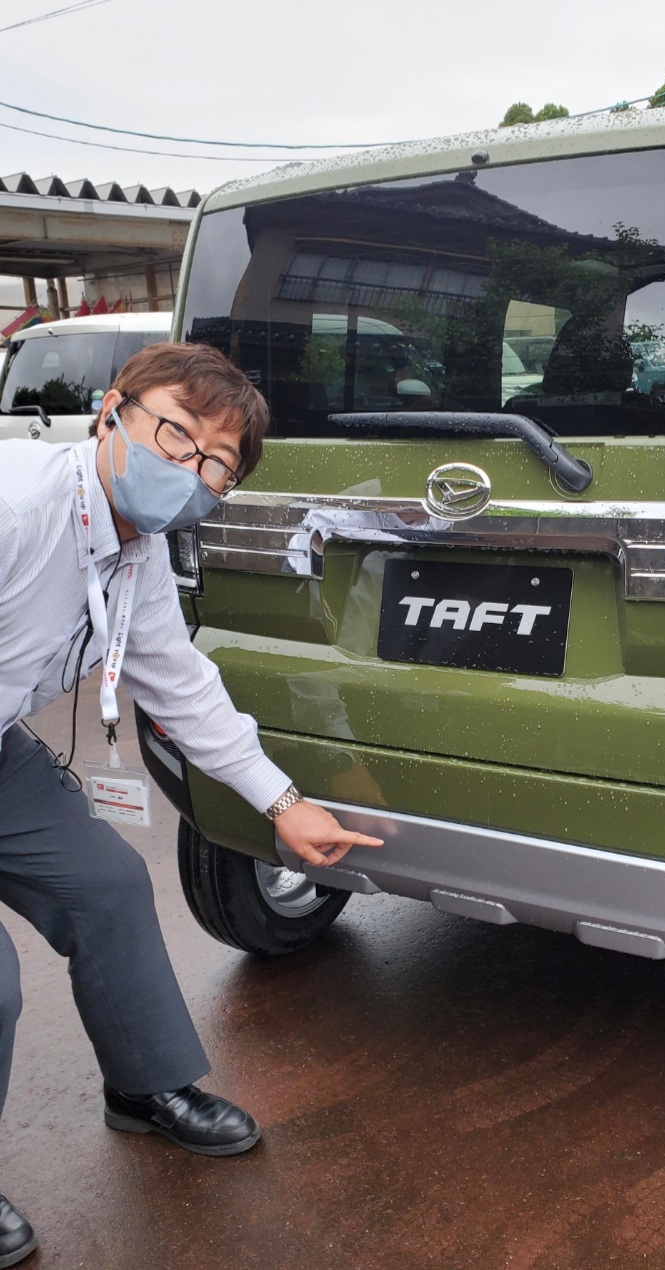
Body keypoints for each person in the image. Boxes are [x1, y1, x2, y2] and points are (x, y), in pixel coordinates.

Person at [0, 341, 383, 1266]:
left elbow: (178, 681)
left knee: (109, 884)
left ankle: (146, 1088)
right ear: (111, 410)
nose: (189, 468)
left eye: (217, 463)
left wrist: (282, 802)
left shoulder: (134, 546)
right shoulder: (17, 507)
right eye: (175, 432)